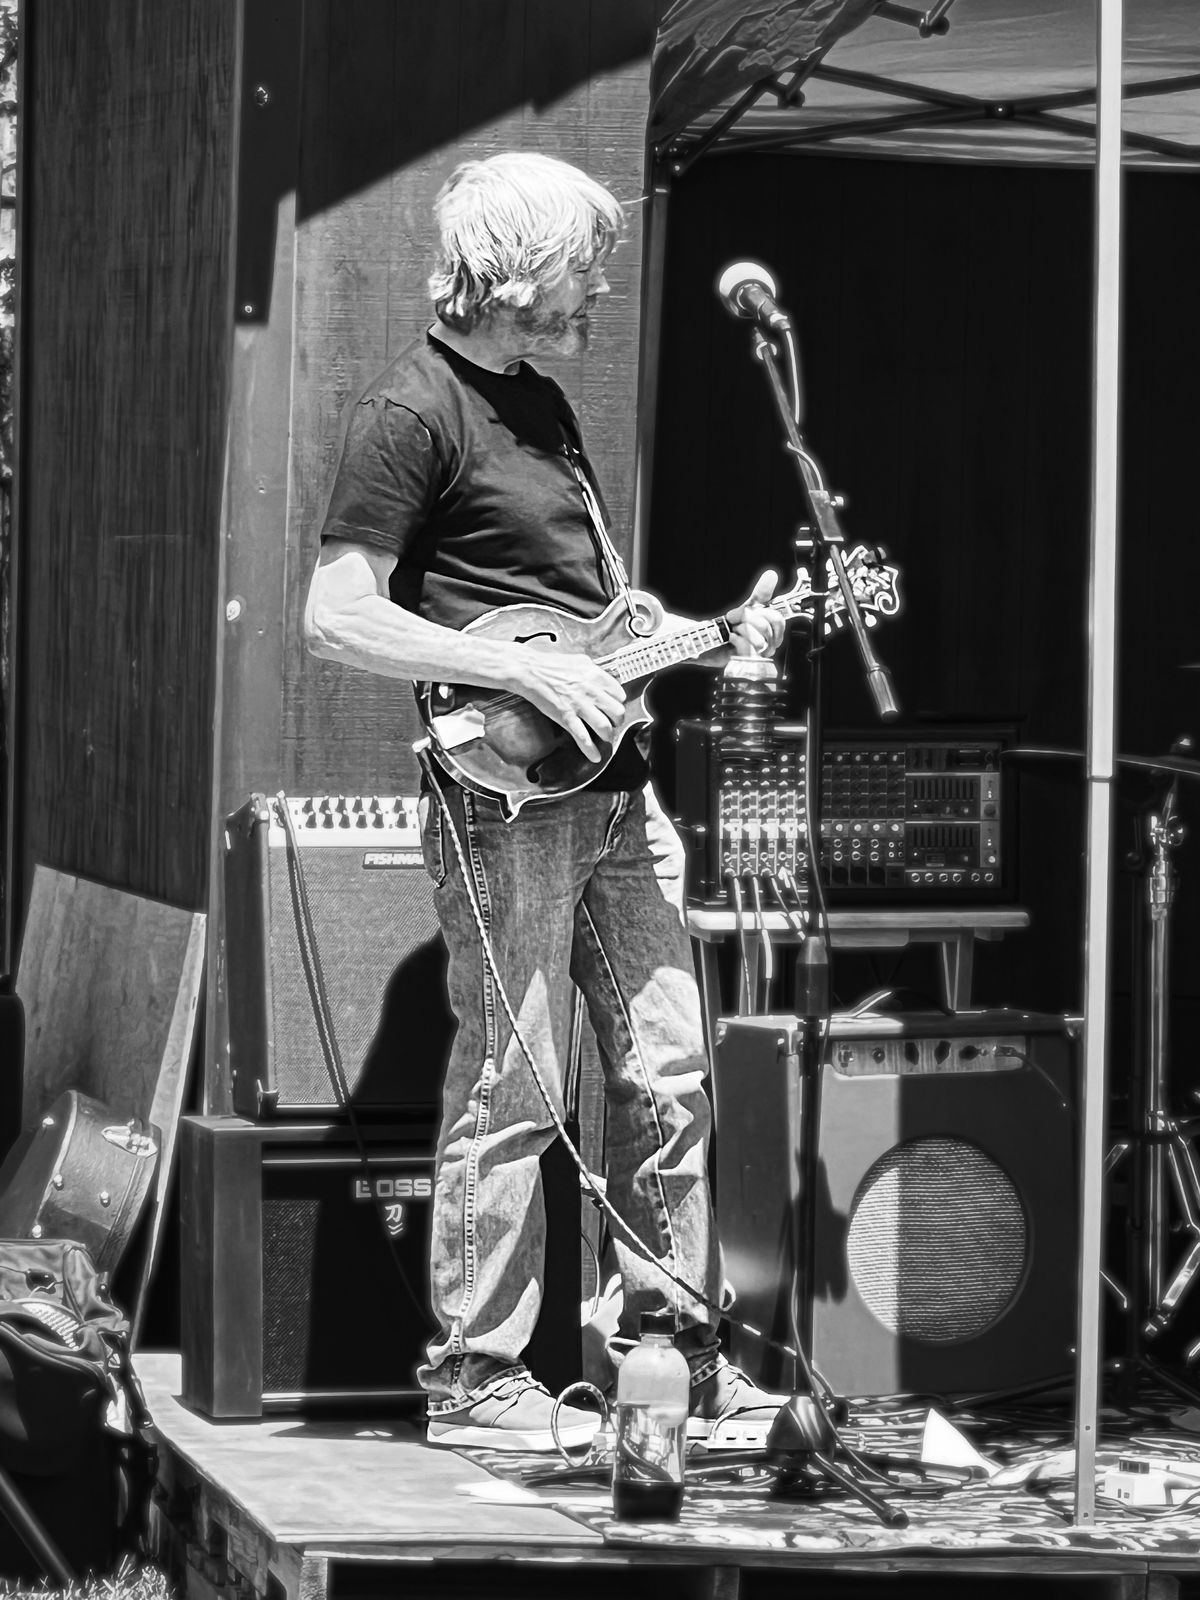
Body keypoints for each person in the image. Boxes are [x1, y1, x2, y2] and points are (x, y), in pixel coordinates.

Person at [304, 151, 789, 1453]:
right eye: (586, 264)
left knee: (668, 1072)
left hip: (616, 791)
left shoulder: (543, 406)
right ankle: (475, 1379)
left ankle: (675, 1359)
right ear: (516, 270)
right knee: (515, 1084)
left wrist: (708, 638)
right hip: (508, 805)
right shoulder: (411, 411)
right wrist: (516, 669)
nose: (600, 288)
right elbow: (335, 616)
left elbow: (591, 632)